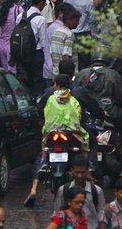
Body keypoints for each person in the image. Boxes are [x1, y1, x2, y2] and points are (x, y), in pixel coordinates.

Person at [25, 74, 85, 208]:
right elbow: (79, 115)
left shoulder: (50, 98)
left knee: (42, 155)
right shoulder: (74, 99)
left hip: (51, 133)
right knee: (83, 147)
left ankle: (34, 189)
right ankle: (90, 171)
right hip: (71, 134)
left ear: (56, 85)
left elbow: (42, 112)